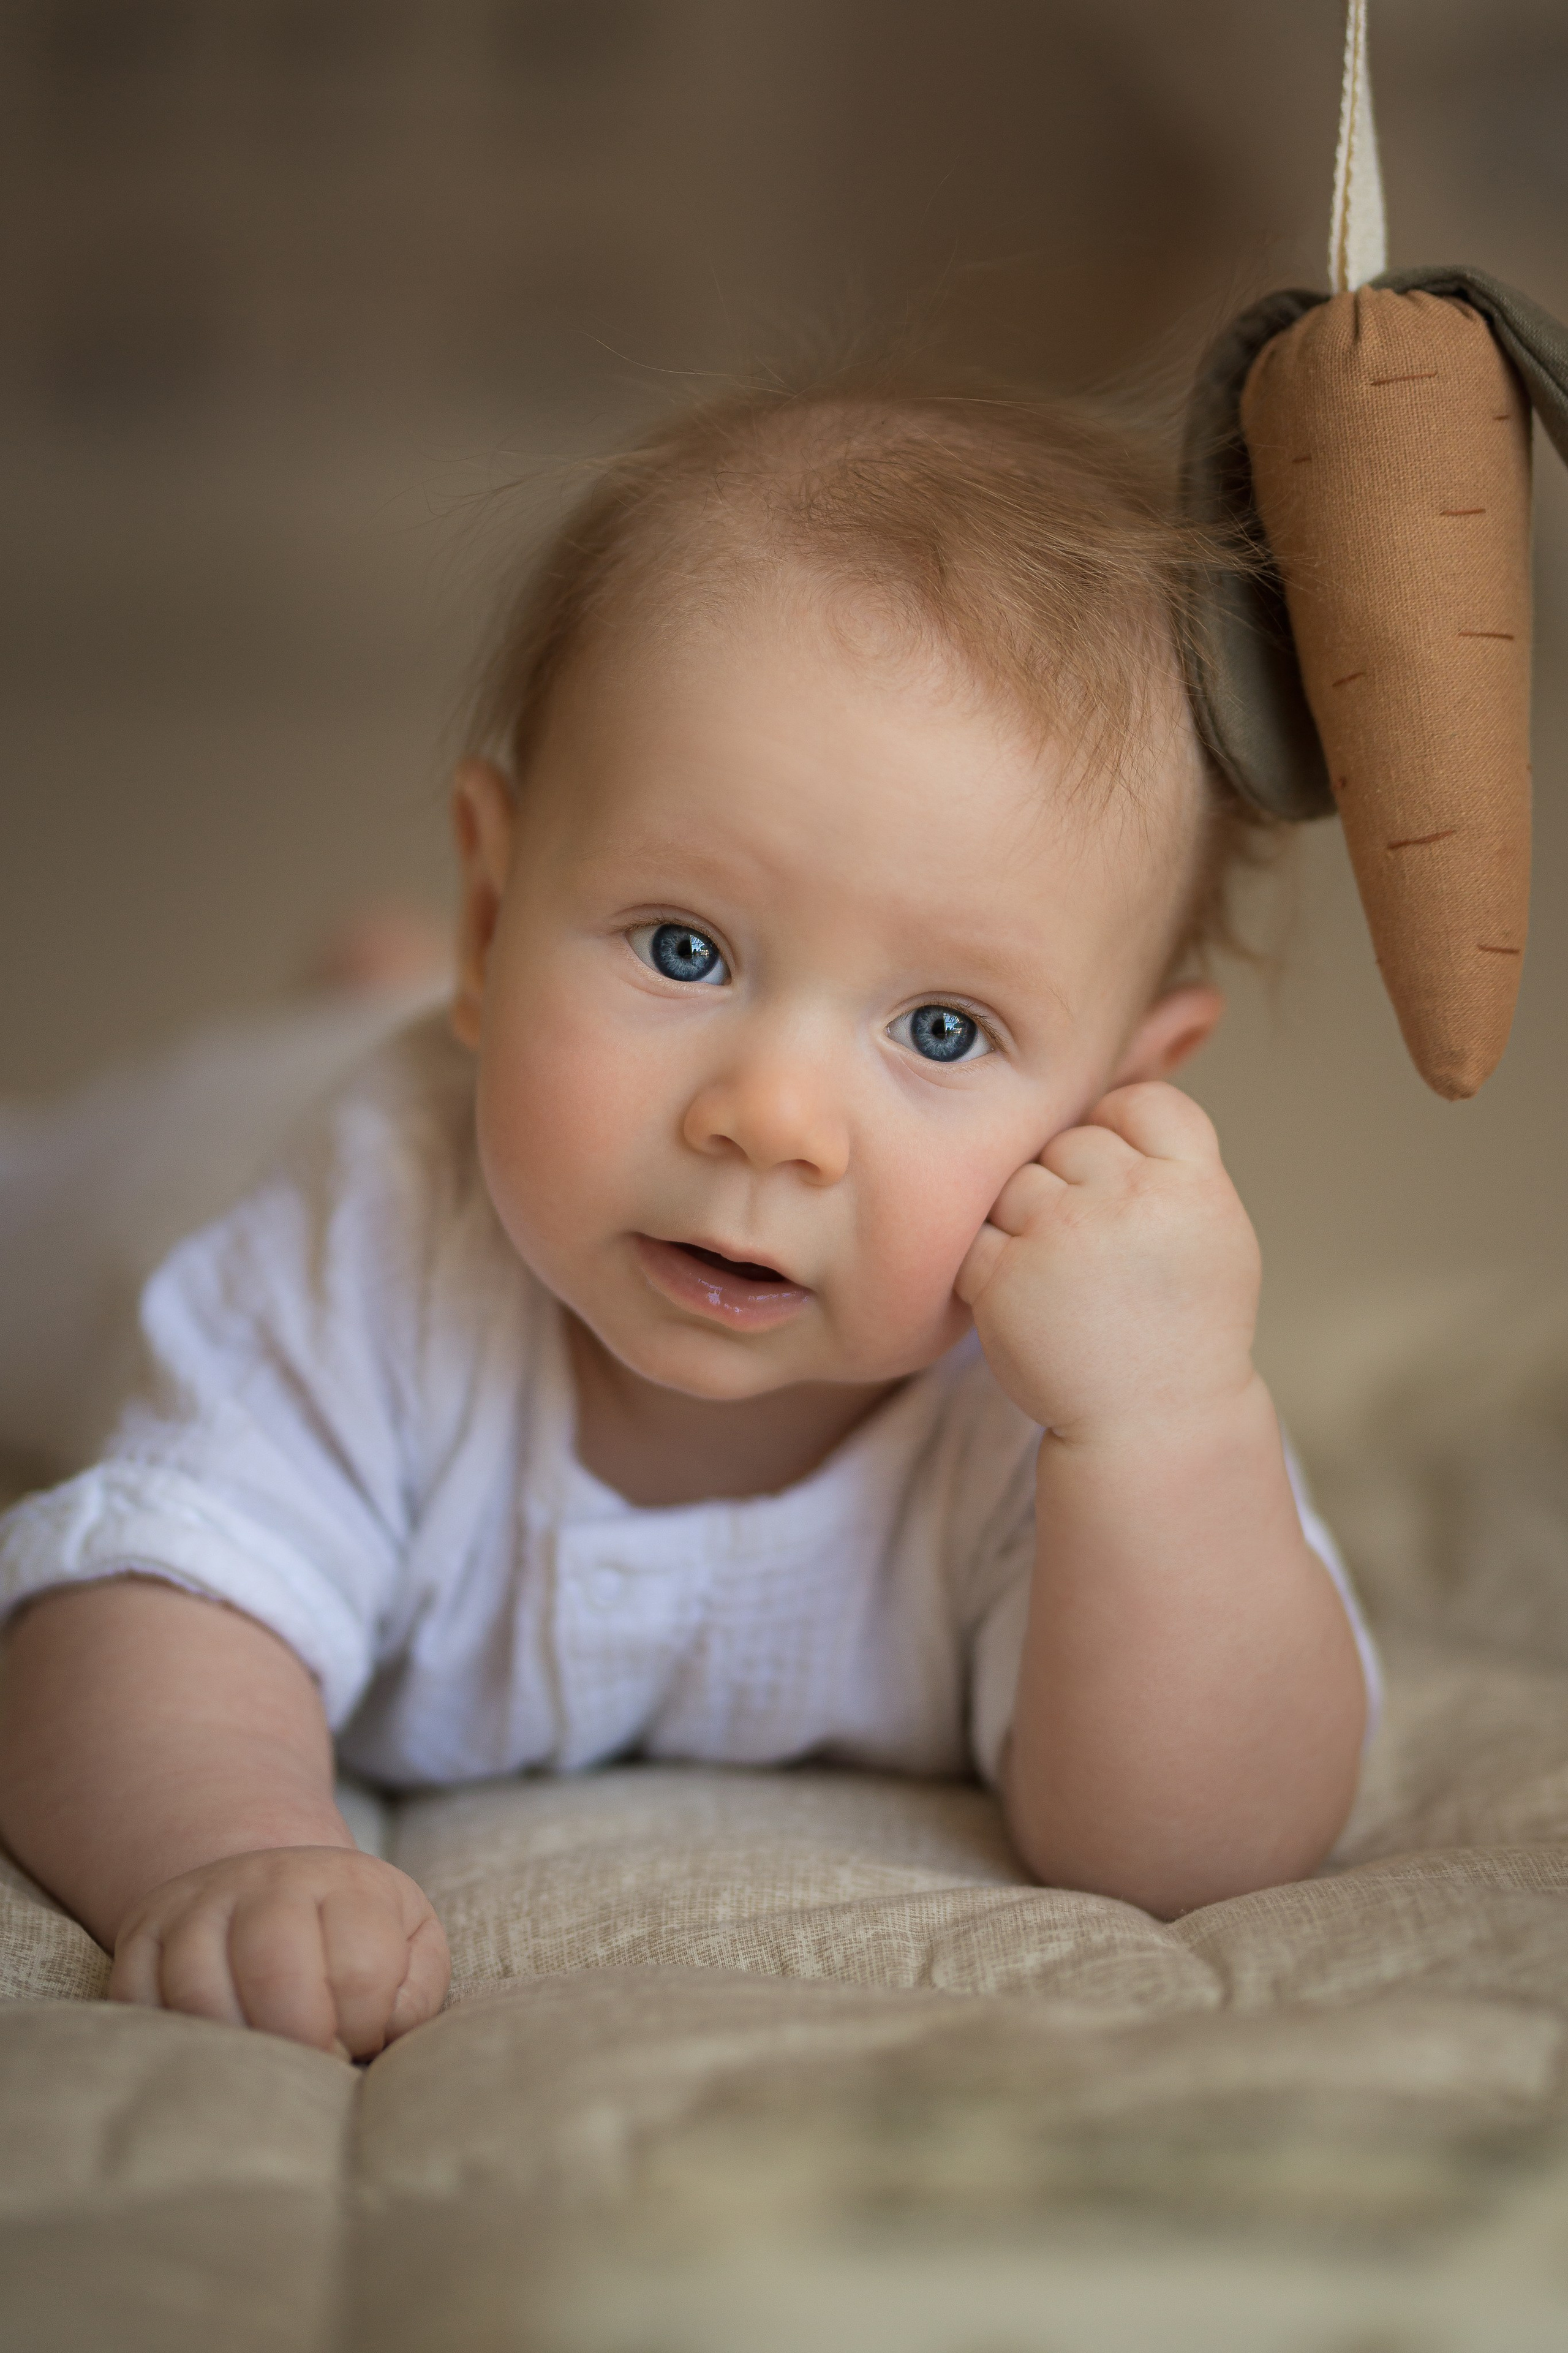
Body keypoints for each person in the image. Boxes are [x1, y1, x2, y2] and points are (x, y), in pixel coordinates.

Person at [0, 371, 1379, 2060]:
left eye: (945, 1030)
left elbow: (1208, 1838)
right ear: (496, 909)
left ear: (1118, 1097)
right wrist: (231, 1849)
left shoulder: (1061, 1392)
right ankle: (370, 1000)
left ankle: (405, 979)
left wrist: (1170, 1424)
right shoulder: (363, 1235)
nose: (772, 1118)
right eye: (685, 948)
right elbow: (134, 1605)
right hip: (198, 1156)